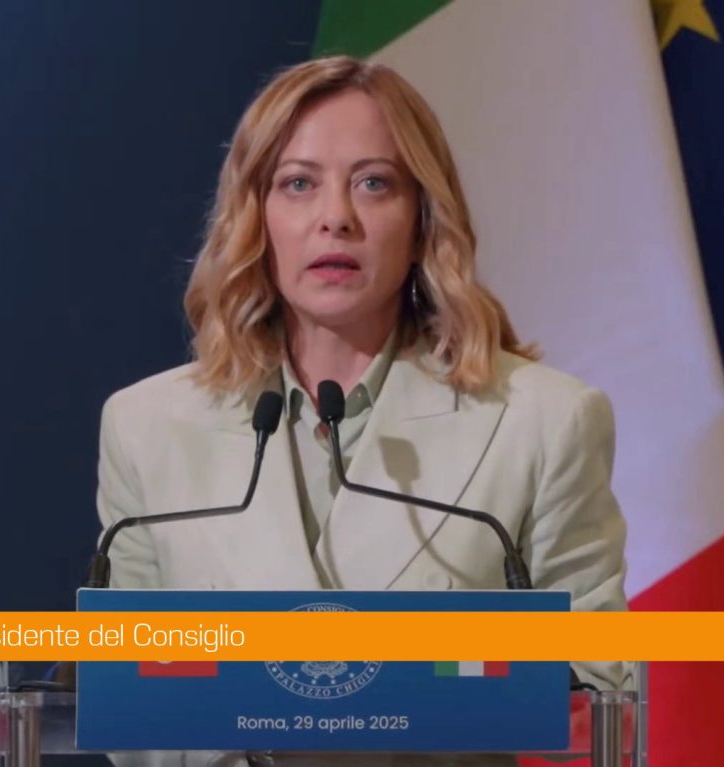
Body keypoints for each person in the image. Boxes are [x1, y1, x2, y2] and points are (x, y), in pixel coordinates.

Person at [96, 55, 628, 767]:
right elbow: (130, 702)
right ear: (257, 216)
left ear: (422, 220)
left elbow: (598, 697)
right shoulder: (147, 426)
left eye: (374, 183)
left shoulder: (543, 420)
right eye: (298, 184)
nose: (335, 218)